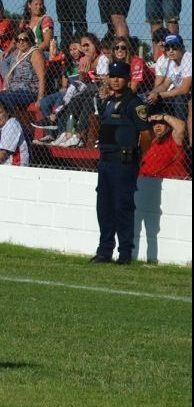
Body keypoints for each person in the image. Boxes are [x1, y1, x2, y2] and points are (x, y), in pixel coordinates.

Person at [88, 60, 148, 264]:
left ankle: (124, 253)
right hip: (105, 162)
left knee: (123, 208)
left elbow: (146, 134)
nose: (115, 80)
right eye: (112, 76)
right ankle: (104, 251)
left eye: (120, 77)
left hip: (124, 163)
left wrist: (137, 156)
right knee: (104, 208)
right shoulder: (107, 102)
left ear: (128, 79)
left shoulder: (135, 104)